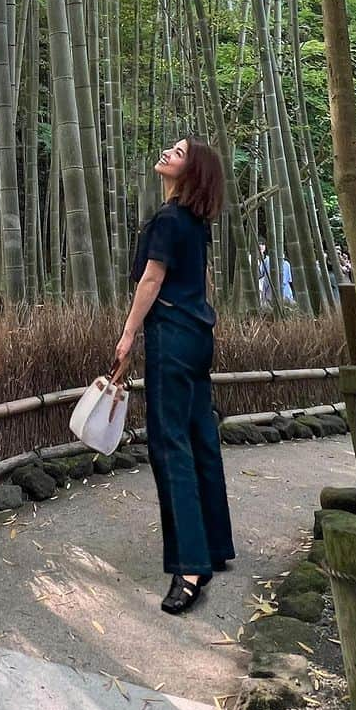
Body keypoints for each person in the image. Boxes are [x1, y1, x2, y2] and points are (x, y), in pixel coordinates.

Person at [113, 137, 235, 616]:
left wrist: (127, 337)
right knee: (201, 436)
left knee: (171, 446)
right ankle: (215, 545)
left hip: (171, 335)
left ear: (191, 172)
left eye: (178, 153)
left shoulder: (168, 220)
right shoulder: (195, 223)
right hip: (198, 336)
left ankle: (189, 567)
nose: (167, 153)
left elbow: (151, 278)